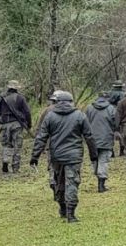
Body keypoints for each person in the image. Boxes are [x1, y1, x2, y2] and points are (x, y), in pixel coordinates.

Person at [30, 91, 97, 223]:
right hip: (74, 155)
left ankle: (62, 207)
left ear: (57, 102)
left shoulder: (50, 116)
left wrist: (35, 156)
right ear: (71, 101)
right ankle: (71, 213)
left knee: (59, 181)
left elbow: (41, 137)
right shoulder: (79, 115)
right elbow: (89, 136)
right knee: (72, 182)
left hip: (57, 156)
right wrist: (93, 155)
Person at [0, 81, 32, 174]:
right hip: (17, 125)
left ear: (8, 88)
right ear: (17, 88)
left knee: (6, 144)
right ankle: (15, 168)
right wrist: (29, 124)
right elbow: (27, 112)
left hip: (5, 125)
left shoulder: (1, 98)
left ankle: (5, 161)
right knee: (17, 146)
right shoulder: (21, 98)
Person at [85, 92, 116, 192]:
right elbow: (115, 122)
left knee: (94, 159)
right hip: (106, 137)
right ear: (107, 98)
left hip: (92, 139)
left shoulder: (89, 108)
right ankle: (101, 184)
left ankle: (97, 175)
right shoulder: (111, 108)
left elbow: (85, 122)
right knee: (103, 160)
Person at [34, 91, 60, 193]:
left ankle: (52, 181)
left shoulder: (46, 111)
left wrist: (39, 142)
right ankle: (60, 183)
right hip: (65, 143)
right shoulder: (69, 110)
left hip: (50, 143)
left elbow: (40, 129)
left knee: (52, 163)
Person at [108, 80, 126, 156]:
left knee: (110, 132)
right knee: (122, 132)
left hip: (110, 114)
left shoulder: (110, 93)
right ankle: (122, 150)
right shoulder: (124, 94)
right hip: (121, 114)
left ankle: (111, 151)